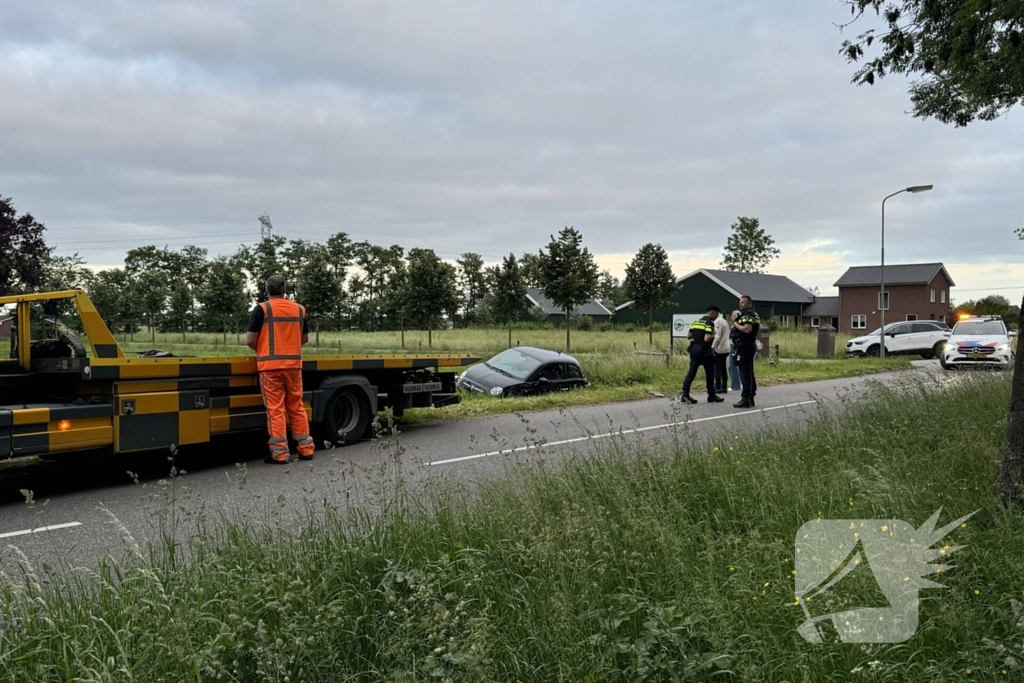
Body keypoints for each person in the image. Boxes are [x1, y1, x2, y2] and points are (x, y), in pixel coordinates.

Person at [246, 274, 315, 464]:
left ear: (267, 289)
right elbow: (304, 339)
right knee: (297, 406)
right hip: (293, 367)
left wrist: (262, 350)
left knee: (275, 409)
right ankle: (306, 449)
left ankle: (280, 453)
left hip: (270, 368)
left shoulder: (262, 309)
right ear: (285, 289)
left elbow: (251, 340)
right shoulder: (300, 309)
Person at [680, 305, 724, 404]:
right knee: (709, 373)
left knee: (691, 372)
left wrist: (697, 336)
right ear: (712, 312)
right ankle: (711, 395)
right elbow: (707, 338)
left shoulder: (696, 322)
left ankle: (685, 394)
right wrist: (714, 334)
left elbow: (689, 336)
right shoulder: (709, 323)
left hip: (694, 350)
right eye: (716, 314)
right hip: (705, 351)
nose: (716, 317)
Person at [732, 295, 761, 409]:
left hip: (745, 346)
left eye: (743, 302)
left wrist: (736, 324)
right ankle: (750, 397)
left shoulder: (748, 314)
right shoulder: (753, 314)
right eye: (740, 302)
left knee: (745, 373)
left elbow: (747, 329)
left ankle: (745, 398)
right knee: (749, 372)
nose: (740, 304)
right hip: (748, 346)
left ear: (749, 303)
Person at [711, 306, 731, 393]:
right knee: (723, 368)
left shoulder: (718, 321)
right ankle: (724, 387)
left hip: (720, 348)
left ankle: (718, 387)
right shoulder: (725, 321)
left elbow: (718, 336)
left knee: (717, 368)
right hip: (726, 348)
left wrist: (713, 347)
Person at [727, 310, 742, 392]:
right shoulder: (735, 325)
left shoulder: (737, 325)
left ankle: (735, 385)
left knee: (733, 366)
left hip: (734, 346)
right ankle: (738, 383)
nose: (731, 317)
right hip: (732, 345)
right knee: (732, 367)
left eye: (733, 315)